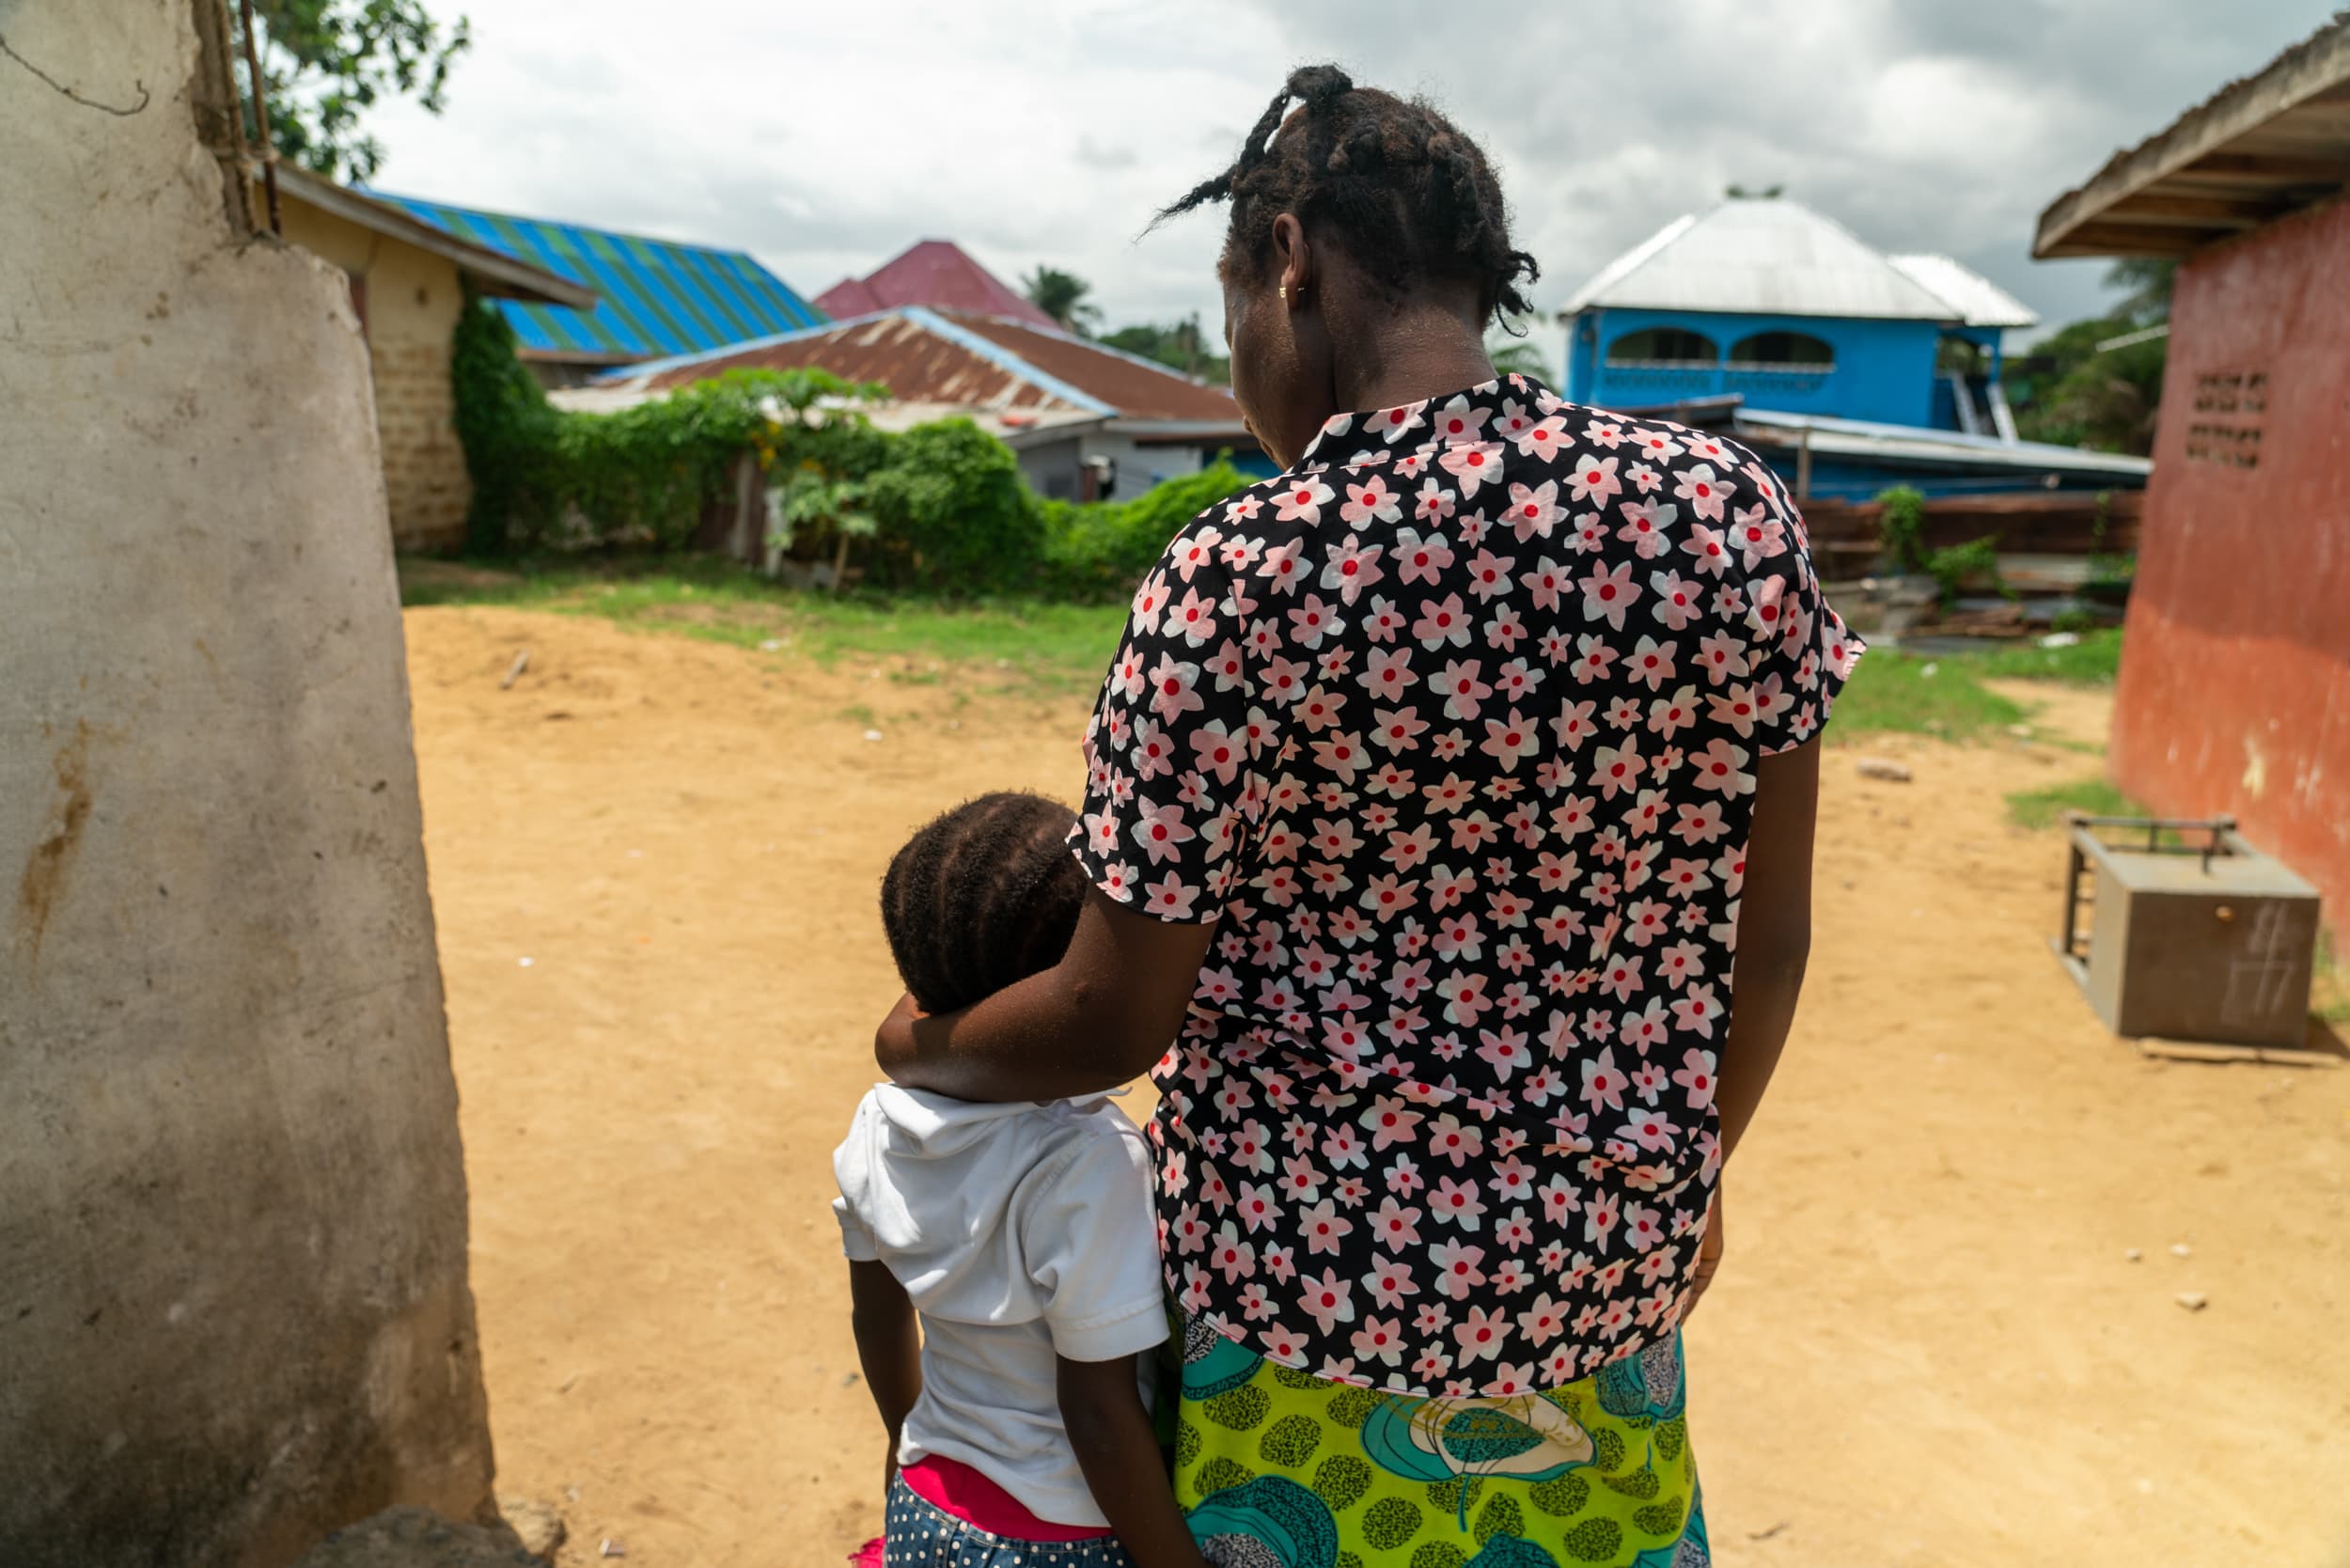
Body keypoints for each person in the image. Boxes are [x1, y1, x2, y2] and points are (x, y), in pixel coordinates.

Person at [878, 65, 1860, 1568]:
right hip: (1604, 1293)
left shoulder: (1237, 580)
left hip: (1297, 1321)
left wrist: (922, 1045)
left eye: (1231, 329)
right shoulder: (1725, 521)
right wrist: (1685, 1173)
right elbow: (1768, 939)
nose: (1237, 376)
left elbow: (1110, 1018)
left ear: (1291, 264)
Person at [837, 792, 1206, 1568]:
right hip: (1058, 1534)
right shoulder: (1085, 1160)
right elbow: (1097, 1412)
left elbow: (877, 1323)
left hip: (927, 1500)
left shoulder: (877, 1123)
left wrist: (908, 1450)